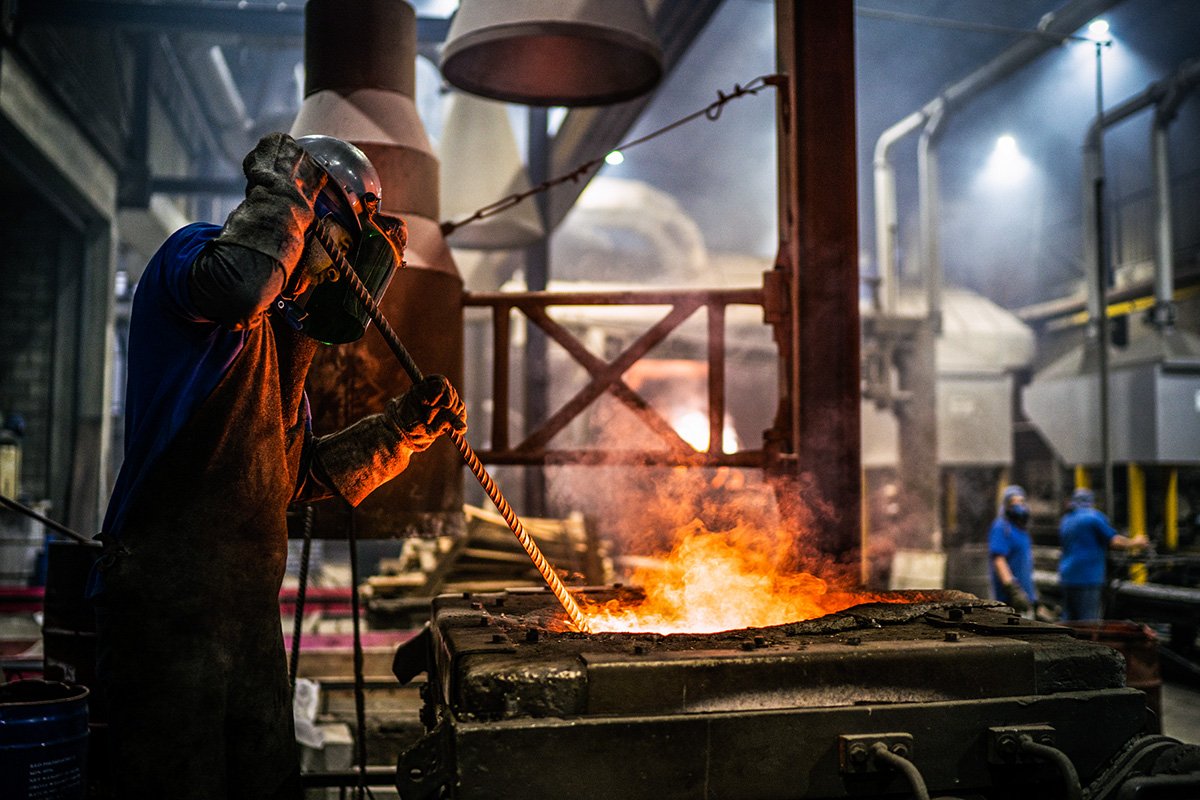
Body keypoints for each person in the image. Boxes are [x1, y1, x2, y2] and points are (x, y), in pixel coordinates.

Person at [90, 132, 466, 800]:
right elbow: (240, 283)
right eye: (341, 244)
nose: (337, 267)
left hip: (248, 621)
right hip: (163, 611)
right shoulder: (193, 259)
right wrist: (291, 190)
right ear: (307, 217)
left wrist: (402, 430)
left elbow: (296, 477)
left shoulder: (280, 342)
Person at [1058, 487, 1143, 622]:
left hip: (1067, 576)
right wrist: (1135, 542)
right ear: (1091, 501)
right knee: (1088, 622)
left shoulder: (1066, 520)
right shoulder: (1093, 517)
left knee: (1070, 621)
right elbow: (1114, 541)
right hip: (1087, 578)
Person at [989, 484, 1036, 615]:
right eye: (1013, 502)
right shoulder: (1001, 527)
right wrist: (1014, 591)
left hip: (1026, 593)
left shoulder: (1021, 528)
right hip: (1010, 598)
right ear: (1005, 504)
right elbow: (999, 560)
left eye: (1021, 501)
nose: (1018, 505)